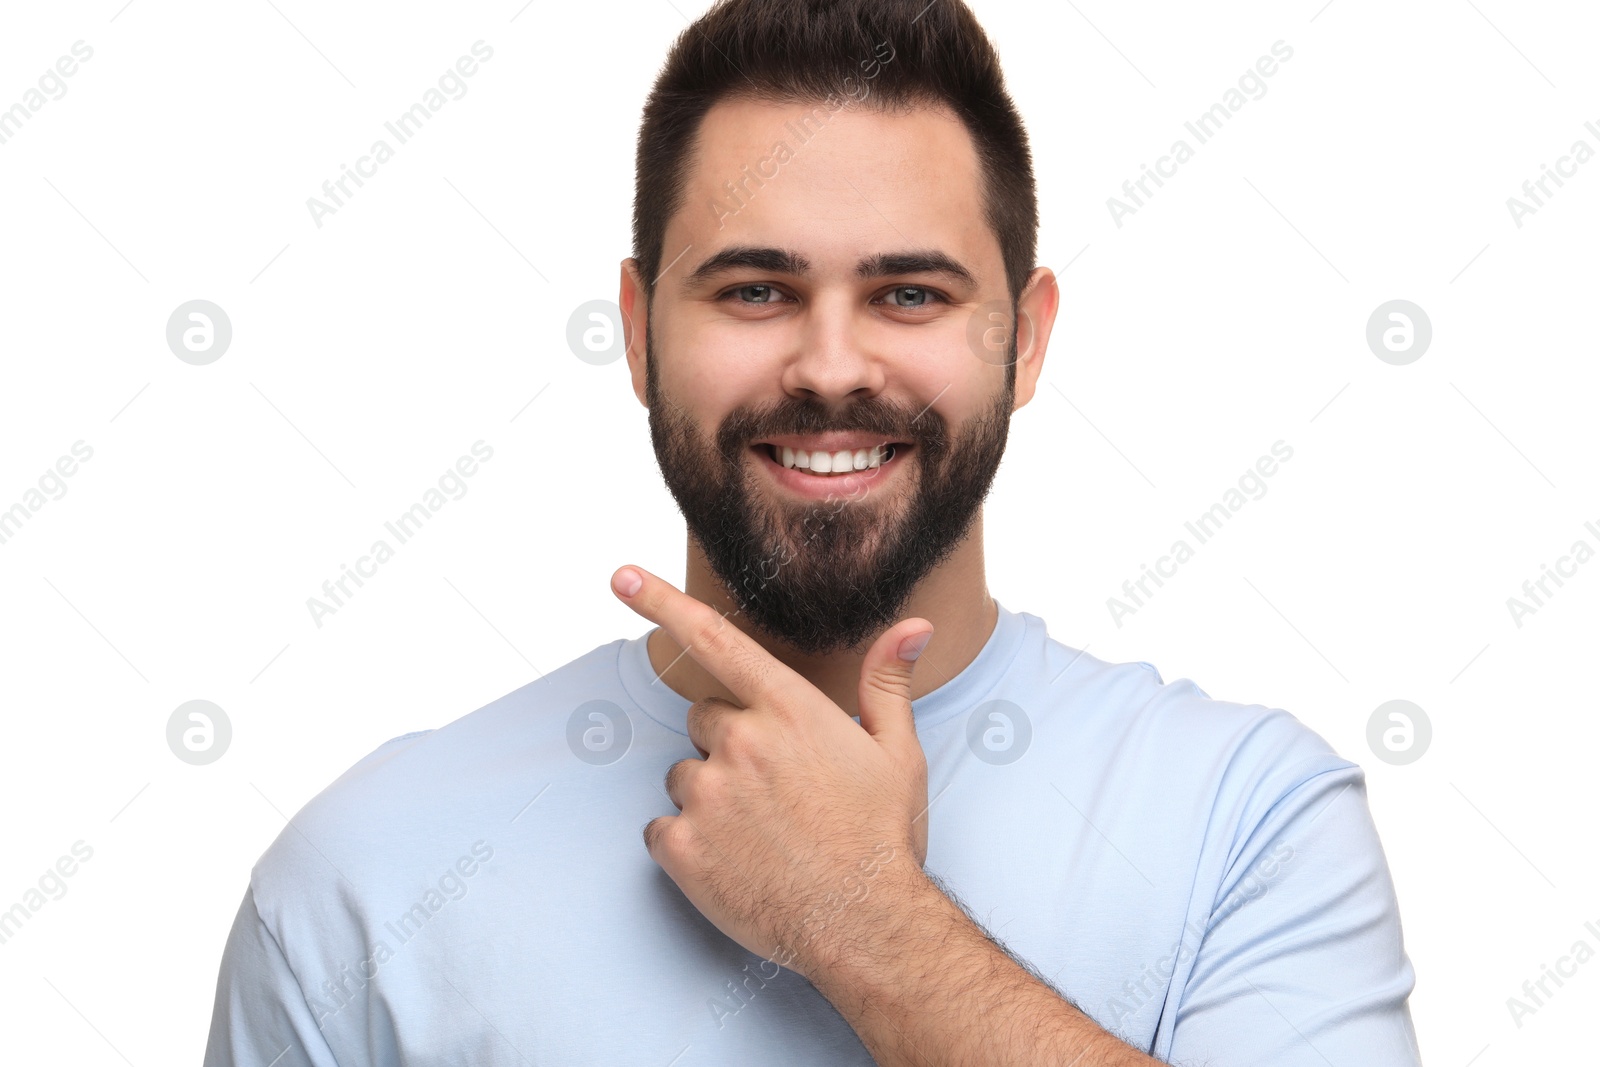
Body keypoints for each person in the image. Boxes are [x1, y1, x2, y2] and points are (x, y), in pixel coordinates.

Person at [204, 0, 1423, 1062]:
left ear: (1028, 338)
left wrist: (865, 918)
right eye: (754, 289)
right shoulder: (362, 881)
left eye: (908, 293)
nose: (831, 366)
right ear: (636, 331)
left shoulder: (1249, 822)